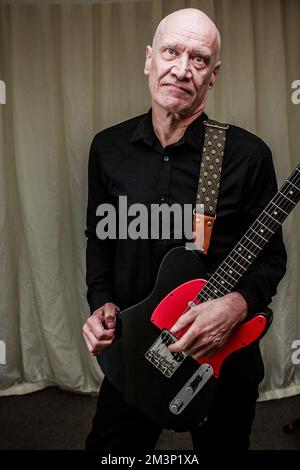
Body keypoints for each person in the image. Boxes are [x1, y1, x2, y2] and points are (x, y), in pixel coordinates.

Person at [83, 8, 287, 450]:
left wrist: (236, 305)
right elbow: (99, 240)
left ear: (213, 75)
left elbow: (271, 259)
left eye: (198, 59)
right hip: (135, 350)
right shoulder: (108, 149)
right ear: (148, 59)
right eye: (171, 51)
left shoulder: (246, 157)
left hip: (221, 359)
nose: (181, 68)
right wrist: (101, 303)